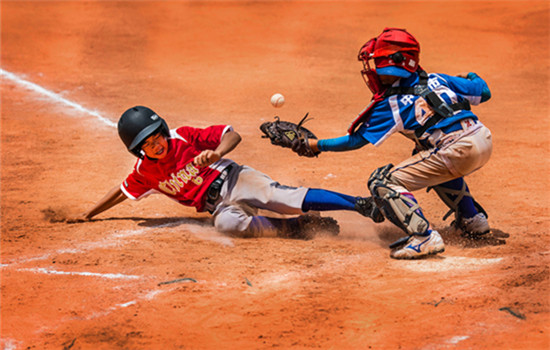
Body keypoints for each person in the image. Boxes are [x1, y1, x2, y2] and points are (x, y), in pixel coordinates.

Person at [303, 28, 493, 259]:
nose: (373, 71)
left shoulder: (392, 102)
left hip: (456, 151)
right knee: (425, 149)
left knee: (381, 181)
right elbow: (483, 91)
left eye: (377, 64)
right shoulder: (437, 78)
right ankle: (472, 218)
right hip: (483, 138)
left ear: (394, 63)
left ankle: (423, 237)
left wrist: (315, 145)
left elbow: (355, 141)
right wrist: (471, 75)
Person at [72, 106, 383, 239]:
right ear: (137, 150)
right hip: (218, 205)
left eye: (157, 136)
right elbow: (121, 191)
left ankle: (360, 204)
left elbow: (232, 134)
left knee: (279, 197)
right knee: (227, 226)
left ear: (164, 130)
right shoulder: (144, 172)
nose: (156, 145)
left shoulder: (183, 136)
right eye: (148, 144)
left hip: (234, 179)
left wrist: (217, 152)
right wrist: (89, 213)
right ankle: (298, 228)